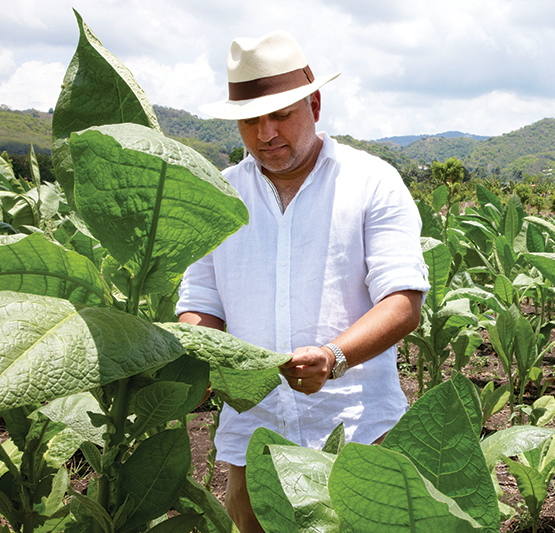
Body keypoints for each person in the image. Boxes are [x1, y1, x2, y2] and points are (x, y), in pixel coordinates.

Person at [175, 30, 429, 532]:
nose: (265, 133)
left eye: (281, 115)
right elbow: (200, 302)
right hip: (255, 435)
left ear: (314, 103)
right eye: (250, 120)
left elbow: (402, 300)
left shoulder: (371, 181)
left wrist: (334, 358)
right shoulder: (216, 198)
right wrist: (202, 356)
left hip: (355, 429)